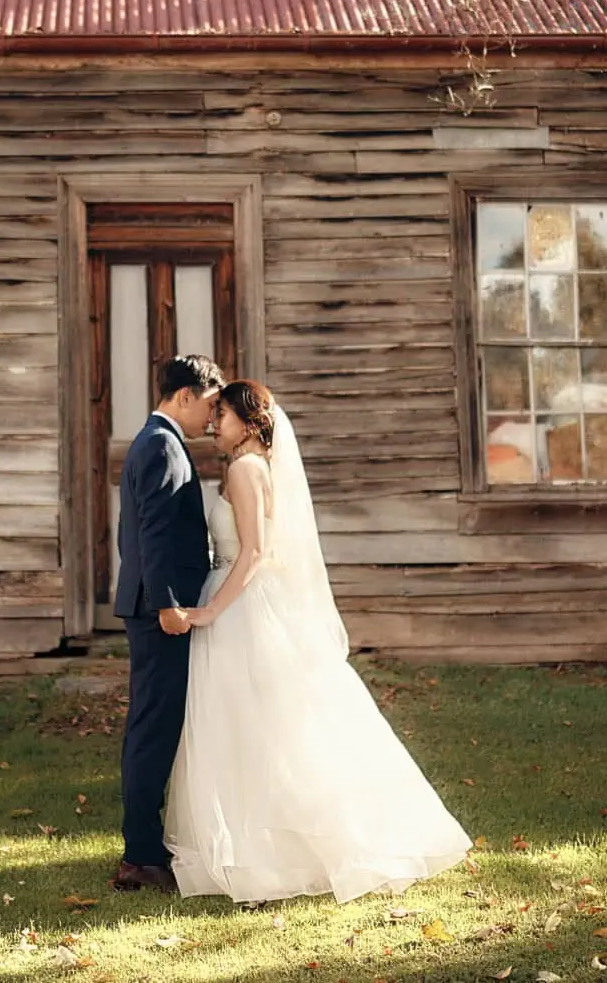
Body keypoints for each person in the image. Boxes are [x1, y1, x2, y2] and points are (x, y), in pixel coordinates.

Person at [162, 379, 471, 904]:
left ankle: (265, 851)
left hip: (240, 607)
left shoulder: (243, 470)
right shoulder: (259, 467)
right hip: (258, 603)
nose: (215, 423)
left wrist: (209, 611)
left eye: (224, 416)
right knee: (264, 725)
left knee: (249, 727)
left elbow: (254, 553)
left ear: (249, 421)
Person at [110, 354, 224, 894]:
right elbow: (152, 534)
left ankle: (147, 848)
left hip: (156, 605)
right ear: (185, 395)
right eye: (209, 404)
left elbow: (126, 534)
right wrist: (166, 604)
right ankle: (140, 856)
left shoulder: (155, 441)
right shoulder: (160, 444)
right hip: (161, 614)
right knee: (153, 730)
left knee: (155, 725)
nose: (211, 416)